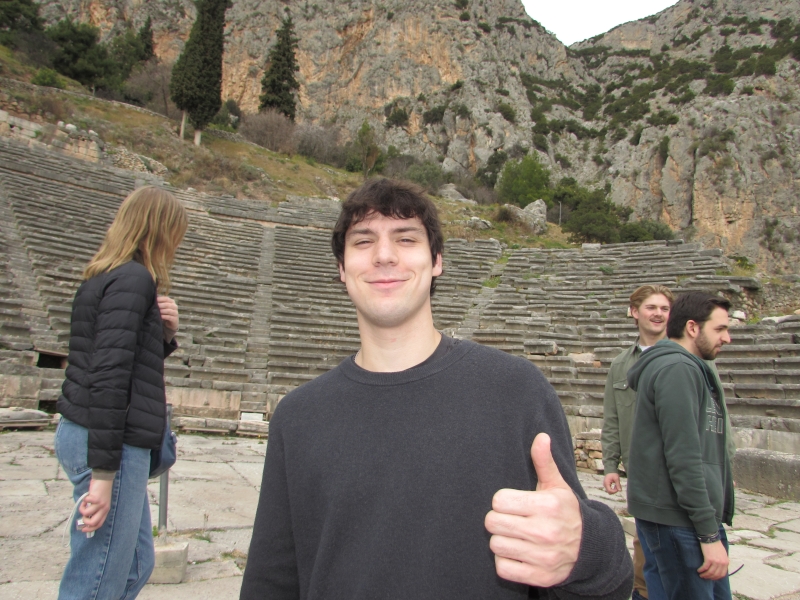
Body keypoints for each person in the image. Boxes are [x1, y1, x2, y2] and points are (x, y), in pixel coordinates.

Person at [240, 178, 633, 600]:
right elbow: (272, 580)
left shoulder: (515, 392)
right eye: (363, 241)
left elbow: (597, 569)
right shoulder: (298, 417)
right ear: (341, 268)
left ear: (437, 261)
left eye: (406, 239)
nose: (384, 255)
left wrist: (586, 549)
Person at [55, 186, 188, 600]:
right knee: (96, 582)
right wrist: (103, 476)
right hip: (111, 441)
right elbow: (110, 377)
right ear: (160, 231)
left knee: (134, 565)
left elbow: (123, 360)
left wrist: (164, 334)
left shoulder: (109, 277)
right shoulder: (133, 280)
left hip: (100, 434)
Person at [626, 291, 734, 600]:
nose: (727, 338)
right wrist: (708, 534)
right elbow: (683, 456)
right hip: (681, 521)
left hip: (681, 518)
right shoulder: (678, 369)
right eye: (720, 329)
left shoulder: (683, 367)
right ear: (692, 328)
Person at [602, 285, 673, 600]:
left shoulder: (686, 357)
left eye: (664, 308)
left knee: (684, 540)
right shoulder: (620, 364)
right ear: (634, 312)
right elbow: (613, 417)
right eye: (651, 307)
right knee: (645, 539)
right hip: (640, 468)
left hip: (679, 465)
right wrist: (609, 465)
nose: (658, 313)